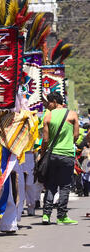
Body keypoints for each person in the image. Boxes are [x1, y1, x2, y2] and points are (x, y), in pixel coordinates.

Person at [41, 92, 79, 225]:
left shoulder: (48, 116)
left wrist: (41, 154)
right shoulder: (72, 114)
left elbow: (45, 140)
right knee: (64, 186)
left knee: (51, 185)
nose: (48, 105)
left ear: (55, 101)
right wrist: (68, 142)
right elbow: (76, 135)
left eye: (49, 102)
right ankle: (61, 216)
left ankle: (46, 215)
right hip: (67, 154)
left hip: (52, 155)